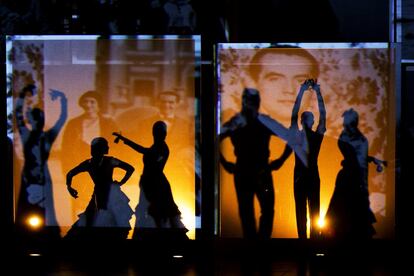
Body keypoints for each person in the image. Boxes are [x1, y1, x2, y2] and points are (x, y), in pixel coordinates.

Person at [219, 88, 289, 239]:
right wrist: (280, 161)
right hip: (257, 172)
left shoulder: (238, 123)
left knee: (249, 212)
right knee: (256, 211)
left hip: (250, 172)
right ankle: (257, 247)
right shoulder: (254, 122)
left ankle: (254, 247)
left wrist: (225, 163)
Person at [113, 121, 188, 240]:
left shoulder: (162, 148)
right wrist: (124, 140)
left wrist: (125, 140)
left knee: (157, 212)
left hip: (156, 184)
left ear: (164, 134)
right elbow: (145, 151)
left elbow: (144, 152)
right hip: (149, 183)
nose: (158, 135)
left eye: (160, 133)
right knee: (150, 211)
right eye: (156, 132)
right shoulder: (157, 147)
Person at [274, 79, 327, 239]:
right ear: (305, 121)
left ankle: (311, 241)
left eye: (307, 117)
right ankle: (305, 241)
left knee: (311, 210)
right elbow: (295, 114)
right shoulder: (298, 135)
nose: (305, 120)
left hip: (307, 175)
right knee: (304, 210)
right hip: (302, 176)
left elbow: (322, 115)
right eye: (305, 118)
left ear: (308, 121)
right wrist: (307, 91)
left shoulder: (310, 136)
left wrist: (312, 91)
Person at [324, 108, 386, 240]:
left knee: (350, 210)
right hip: (346, 177)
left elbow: (360, 162)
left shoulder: (360, 140)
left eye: (346, 120)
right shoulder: (345, 136)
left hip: (353, 179)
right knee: (340, 209)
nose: (344, 123)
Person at [14, 85, 67, 238]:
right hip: (29, 175)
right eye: (33, 118)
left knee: (46, 205)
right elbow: (18, 115)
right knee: (27, 204)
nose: (34, 121)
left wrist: (63, 100)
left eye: (36, 118)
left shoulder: (48, 136)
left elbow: (61, 119)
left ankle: (46, 232)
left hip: (42, 175)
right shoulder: (26, 135)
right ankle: (25, 231)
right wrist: (22, 95)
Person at [61, 90, 119, 222]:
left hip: (102, 169)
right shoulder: (73, 124)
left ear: (98, 105)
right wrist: (67, 170)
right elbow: (66, 149)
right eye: (85, 102)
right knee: (80, 200)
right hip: (82, 167)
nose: (89, 105)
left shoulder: (109, 123)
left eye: (92, 102)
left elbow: (116, 147)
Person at [65, 137, 134, 239]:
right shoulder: (93, 163)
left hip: (110, 195)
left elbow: (130, 168)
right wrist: (69, 187)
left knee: (107, 219)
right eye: (105, 146)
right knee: (94, 218)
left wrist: (121, 182)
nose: (108, 147)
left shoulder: (106, 161)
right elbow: (70, 174)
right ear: (100, 148)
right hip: (101, 194)